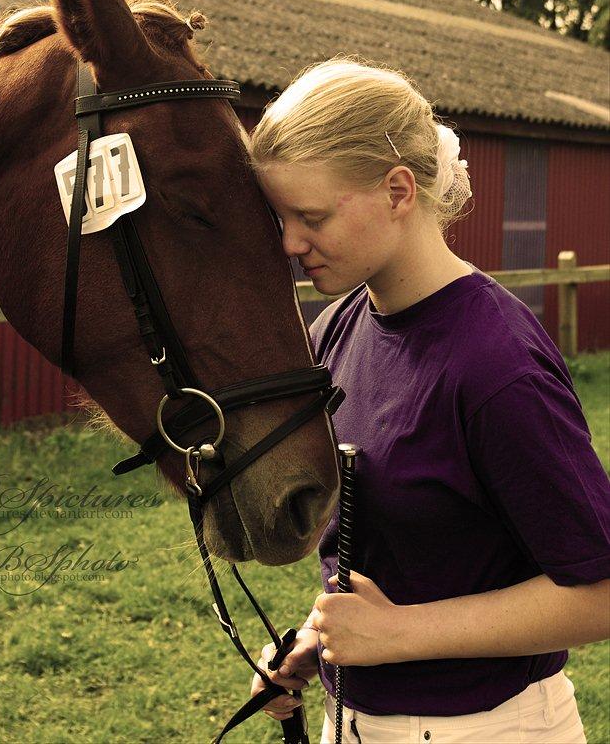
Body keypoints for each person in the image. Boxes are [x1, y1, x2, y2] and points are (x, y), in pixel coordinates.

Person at [246, 58, 610, 744]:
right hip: (352, 720)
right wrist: (320, 640)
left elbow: (600, 593)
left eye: (311, 216)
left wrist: (398, 633)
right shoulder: (336, 329)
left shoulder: (495, 363)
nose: (291, 244)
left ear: (397, 191)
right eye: (281, 218)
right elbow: (400, 556)